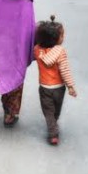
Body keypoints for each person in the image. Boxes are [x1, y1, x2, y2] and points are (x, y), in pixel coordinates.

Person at [34, 15, 77, 145]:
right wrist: (70, 86)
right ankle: (53, 127)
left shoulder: (37, 50)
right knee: (56, 110)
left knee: (48, 111)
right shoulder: (60, 52)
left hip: (44, 87)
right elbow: (65, 70)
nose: (63, 37)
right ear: (55, 39)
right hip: (59, 88)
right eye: (62, 35)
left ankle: (52, 131)